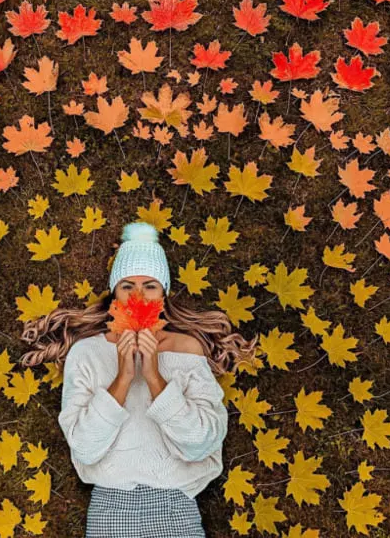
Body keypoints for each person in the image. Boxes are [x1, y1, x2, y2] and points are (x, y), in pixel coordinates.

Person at [19, 221, 258, 537]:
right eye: (127, 285)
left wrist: (154, 377)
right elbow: (84, 447)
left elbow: (202, 442)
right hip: (110, 508)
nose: (138, 297)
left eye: (150, 285)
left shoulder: (187, 348)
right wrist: (123, 378)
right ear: (114, 294)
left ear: (164, 294)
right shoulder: (86, 352)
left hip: (176, 505)